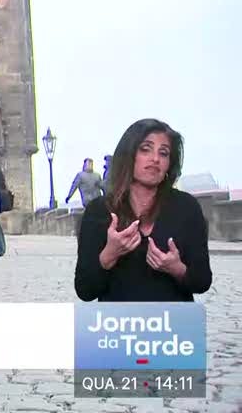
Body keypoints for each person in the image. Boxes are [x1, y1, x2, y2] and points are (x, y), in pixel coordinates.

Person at [75, 119, 211, 302]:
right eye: (145, 149)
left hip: (173, 327)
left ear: (169, 164)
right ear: (129, 155)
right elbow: (85, 290)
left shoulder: (186, 208)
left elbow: (202, 281)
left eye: (163, 153)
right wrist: (109, 255)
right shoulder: (99, 211)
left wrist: (177, 269)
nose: (155, 158)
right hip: (119, 326)